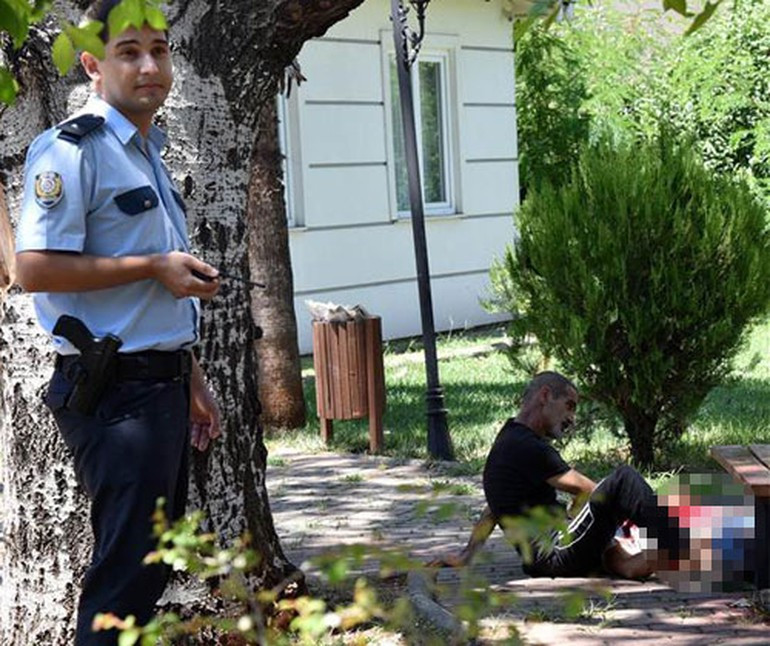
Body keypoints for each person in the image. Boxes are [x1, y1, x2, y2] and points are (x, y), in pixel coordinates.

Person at [14, 2, 221, 643]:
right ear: (92, 65)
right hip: (114, 394)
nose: (149, 66)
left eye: (159, 50)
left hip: (156, 385)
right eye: (128, 52)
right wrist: (153, 265)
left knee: (145, 569)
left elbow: (152, 295)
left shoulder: (145, 150)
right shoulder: (73, 150)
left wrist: (192, 380)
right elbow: (33, 268)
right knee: (124, 578)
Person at [429, 372, 682, 580]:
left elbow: (494, 508)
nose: (572, 419)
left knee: (624, 563)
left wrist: (466, 555)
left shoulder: (509, 440)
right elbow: (590, 490)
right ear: (546, 395)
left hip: (545, 559)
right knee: (624, 480)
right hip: (557, 550)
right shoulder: (528, 447)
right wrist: (619, 526)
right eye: (569, 406)